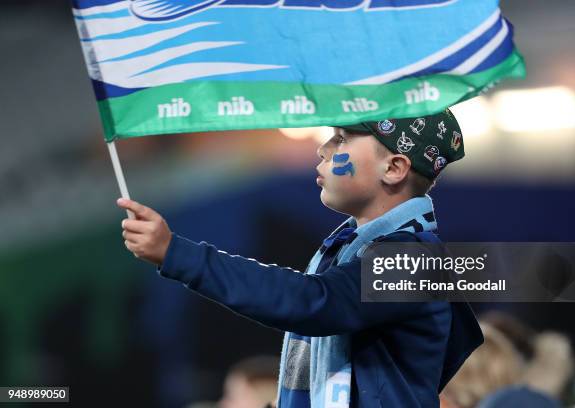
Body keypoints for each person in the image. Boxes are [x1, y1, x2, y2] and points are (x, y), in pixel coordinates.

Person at [117, 110, 484, 407]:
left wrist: (177, 253)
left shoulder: (415, 260)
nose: (323, 149)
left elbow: (311, 302)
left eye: (341, 137)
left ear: (394, 168)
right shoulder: (344, 251)